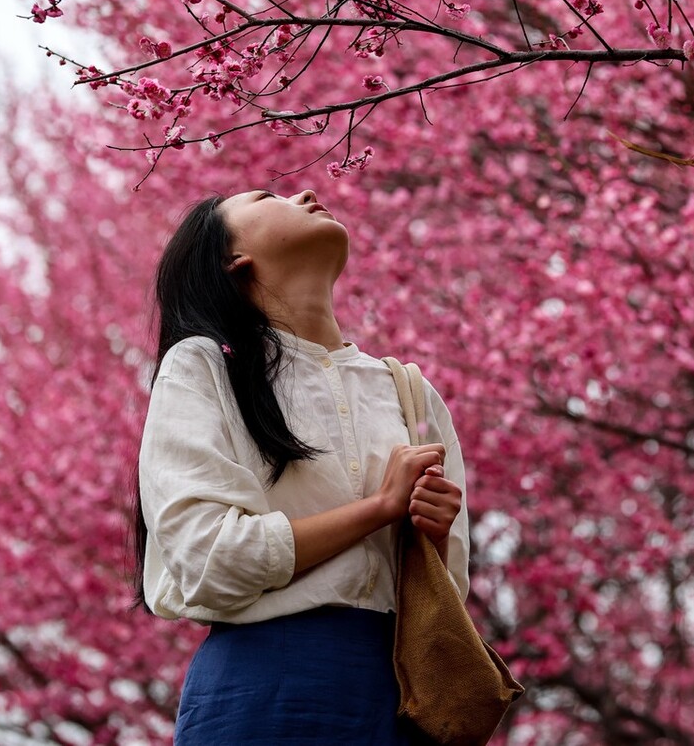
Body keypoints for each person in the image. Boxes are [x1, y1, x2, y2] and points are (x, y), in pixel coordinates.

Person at [132, 188, 470, 745]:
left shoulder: (410, 393)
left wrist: (428, 535)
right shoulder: (202, 366)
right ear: (233, 261)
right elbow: (209, 560)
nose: (308, 192)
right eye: (268, 196)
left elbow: (448, 591)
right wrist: (380, 509)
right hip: (266, 686)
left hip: (403, 694)